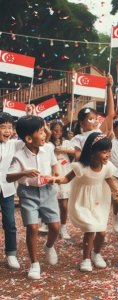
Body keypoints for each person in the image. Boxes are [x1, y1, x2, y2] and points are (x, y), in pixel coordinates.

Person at [52, 132, 118, 272]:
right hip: (82, 201)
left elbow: (110, 182)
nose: (108, 154)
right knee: (90, 229)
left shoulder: (107, 167)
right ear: (93, 152)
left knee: (101, 232)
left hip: (100, 201)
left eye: (109, 151)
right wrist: (55, 179)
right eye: (104, 152)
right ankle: (86, 259)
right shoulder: (80, 167)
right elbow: (66, 179)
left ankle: (96, 254)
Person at [6, 115, 60, 280]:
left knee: (55, 227)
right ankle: (34, 263)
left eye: (44, 131)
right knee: (33, 228)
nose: (44, 135)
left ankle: (49, 246)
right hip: (28, 194)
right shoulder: (19, 155)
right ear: (29, 138)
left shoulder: (49, 148)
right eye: (41, 132)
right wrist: (24, 172)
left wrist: (56, 174)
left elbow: (54, 164)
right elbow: (8, 177)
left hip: (48, 190)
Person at [71, 74, 115, 161]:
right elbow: (78, 157)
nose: (94, 121)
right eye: (90, 119)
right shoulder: (78, 138)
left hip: (102, 170)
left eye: (95, 118)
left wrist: (109, 88)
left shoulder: (99, 132)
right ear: (82, 123)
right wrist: (94, 154)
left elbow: (110, 114)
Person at [0, 112, 23, 269]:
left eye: (10, 127)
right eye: (3, 127)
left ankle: (11, 254)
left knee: (9, 222)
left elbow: (29, 137)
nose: (7, 131)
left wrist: (28, 117)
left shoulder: (14, 144)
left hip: (6, 189)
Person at [48, 120, 74, 239]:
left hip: (65, 173)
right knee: (53, 203)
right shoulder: (48, 143)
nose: (58, 133)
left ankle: (63, 227)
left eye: (60, 130)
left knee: (64, 205)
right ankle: (52, 226)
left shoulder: (67, 142)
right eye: (55, 130)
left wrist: (63, 150)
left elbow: (76, 152)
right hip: (52, 173)